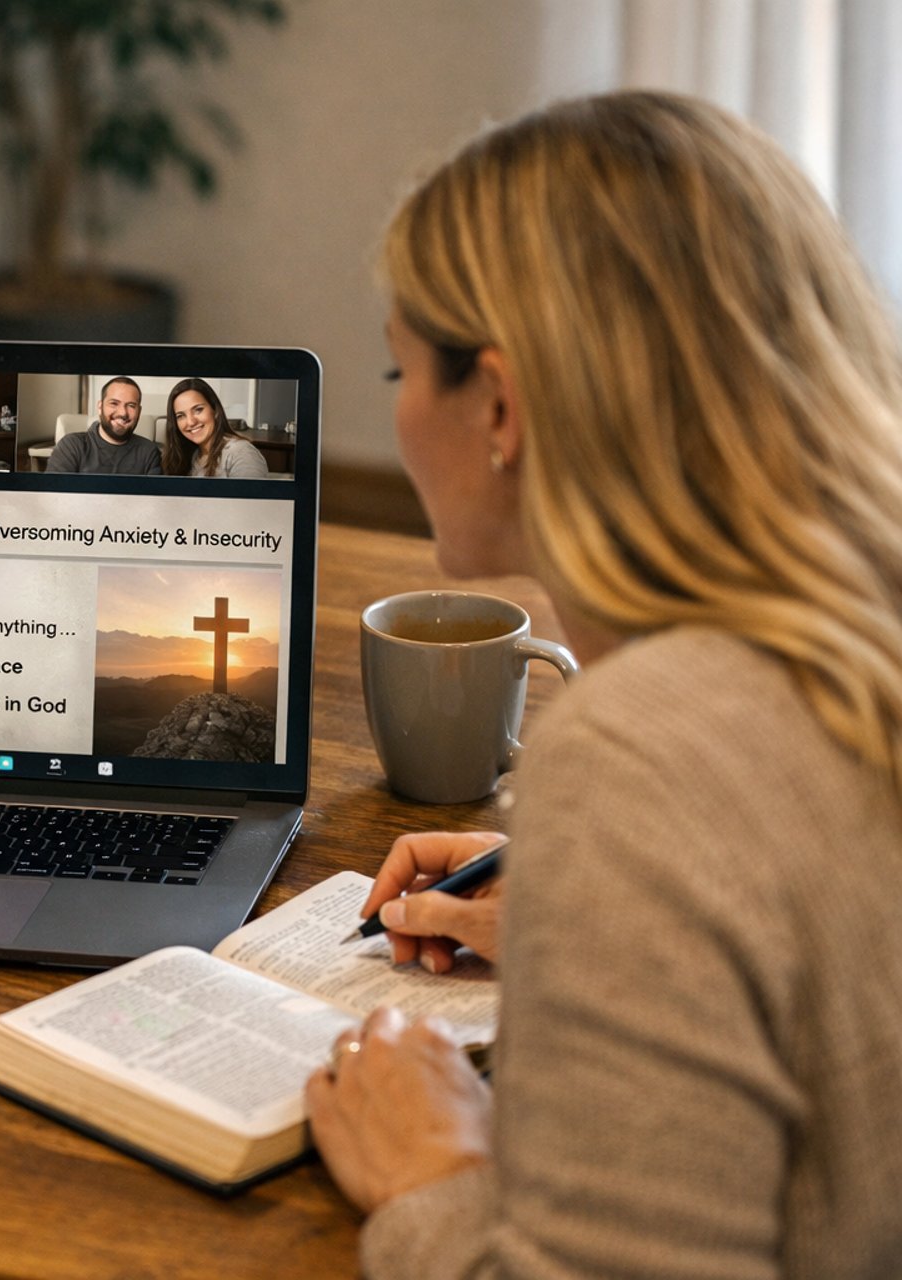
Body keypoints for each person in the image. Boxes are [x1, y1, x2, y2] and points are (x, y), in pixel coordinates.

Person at [303, 91, 902, 1277]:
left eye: (398, 368)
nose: (400, 409)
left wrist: (435, 1172)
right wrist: (619, 940)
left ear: (503, 405)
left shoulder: (644, 756)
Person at [46, 376, 161, 475]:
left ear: (139, 411)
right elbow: (54, 497)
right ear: (100, 407)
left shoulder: (149, 452)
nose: (123, 413)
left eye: (131, 405)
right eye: (114, 403)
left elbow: (155, 499)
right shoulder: (71, 446)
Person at [159, 377, 268, 478]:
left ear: (215, 410)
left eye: (198, 410)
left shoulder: (241, 453)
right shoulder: (191, 455)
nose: (191, 422)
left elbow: (249, 498)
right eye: (181, 416)